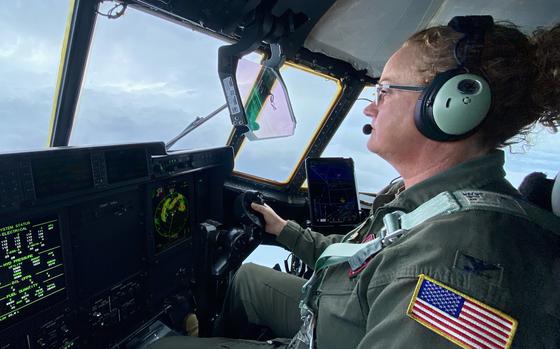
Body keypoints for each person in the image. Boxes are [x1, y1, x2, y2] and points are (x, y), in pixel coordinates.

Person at [151, 16, 560, 349]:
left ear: (453, 105)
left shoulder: (456, 263)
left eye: (384, 90)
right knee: (248, 279)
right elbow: (359, 255)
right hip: (339, 311)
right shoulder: (421, 203)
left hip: (338, 327)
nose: (370, 107)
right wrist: (282, 229)